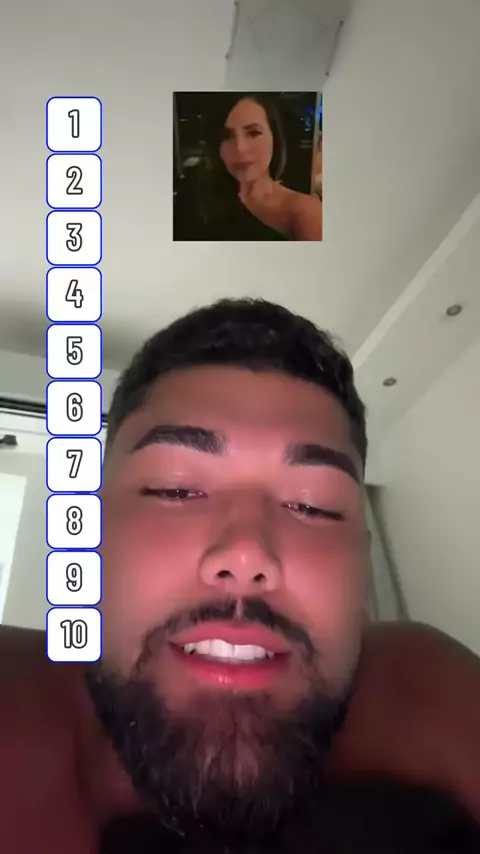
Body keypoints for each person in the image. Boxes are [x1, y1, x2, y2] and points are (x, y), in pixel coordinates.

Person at [1, 298, 480, 853]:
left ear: (362, 569)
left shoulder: (431, 698)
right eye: (175, 489)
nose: (248, 555)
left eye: (313, 506)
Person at [201, 94, 323, 241]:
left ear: (274, 137)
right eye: (227, 136)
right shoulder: (205, 200)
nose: (240, 148)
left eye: (253, 133)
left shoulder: (306, 212)